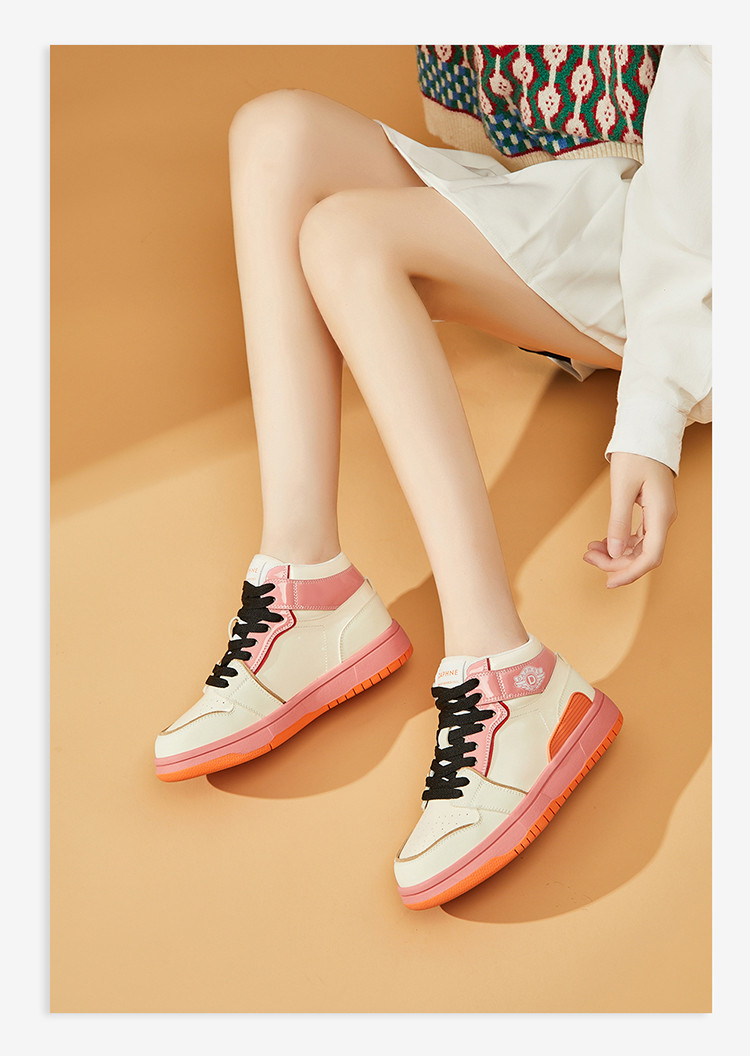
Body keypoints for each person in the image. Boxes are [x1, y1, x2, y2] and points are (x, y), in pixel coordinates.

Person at [153, 45, 712, 910]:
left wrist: (653, 413)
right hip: (551, 189)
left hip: (691, 231)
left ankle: (509, 672)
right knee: (274, 133)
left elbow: (694, 178)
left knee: (344, 239)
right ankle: (308, 579)